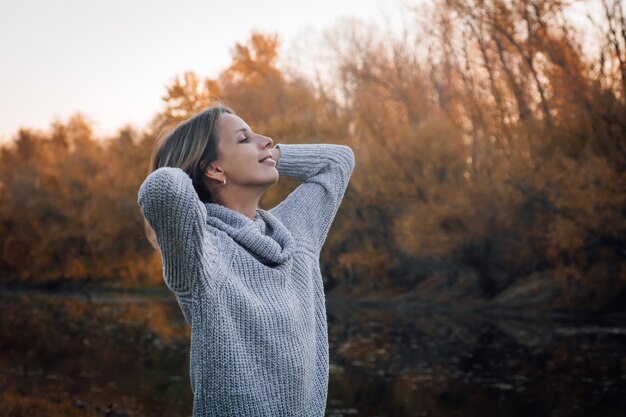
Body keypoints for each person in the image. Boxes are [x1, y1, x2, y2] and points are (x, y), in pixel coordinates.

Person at [137, 103, 355, 416]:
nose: (265, 139)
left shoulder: (295, 232)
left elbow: (338, 161)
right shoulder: (203, 254)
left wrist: (270, 154)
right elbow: (163, 187)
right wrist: (189, 151)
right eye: (244, 139)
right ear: (213, 169)